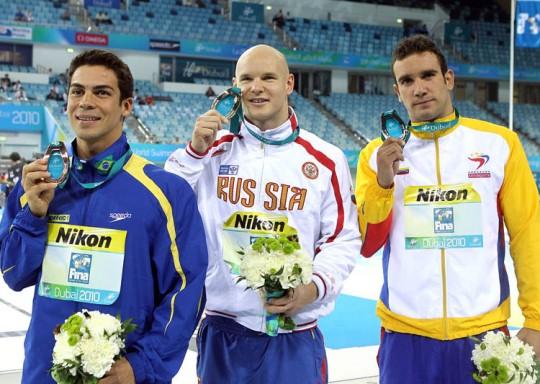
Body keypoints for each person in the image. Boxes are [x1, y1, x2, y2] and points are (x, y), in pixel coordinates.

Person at [0, 49, 208, 384]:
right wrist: (34, 215)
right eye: (77, 91)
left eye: (102, 92)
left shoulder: (165, 192)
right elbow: (12, 275)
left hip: (121, 376)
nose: (86, 102)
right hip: (44, 374)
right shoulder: (37, 184)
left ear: (126, 106)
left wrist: (141, 367)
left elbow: (186, 292)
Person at [165, 44, 360, 383]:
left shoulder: (326, 159)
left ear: (289, 83)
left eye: (268, 77)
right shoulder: (212, 151)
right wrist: (194, 151)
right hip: (223, 327)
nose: (256, 87)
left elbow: (341, 238)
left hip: (295, 335)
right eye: (247, 78)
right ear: (234, 86)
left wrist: (311, 288)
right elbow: (167, 204)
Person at [355, 34, 540, 384]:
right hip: (405, 336)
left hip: (484, 333)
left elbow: (529, 234)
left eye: (427, 75)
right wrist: (382, 184)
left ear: (448, 79)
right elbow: (368, 244)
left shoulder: (499, 144)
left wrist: (536, 320)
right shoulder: (376, 156)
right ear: (397, 91)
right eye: (407, 81)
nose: (419, 88)